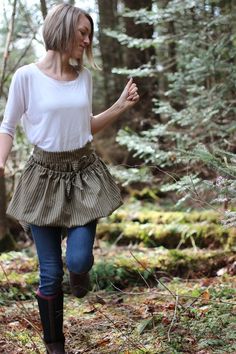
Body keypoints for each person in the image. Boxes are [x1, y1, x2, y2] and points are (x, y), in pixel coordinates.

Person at [0, 3, 139, 354]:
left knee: (77, 260)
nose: (88, 40)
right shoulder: (26, 77)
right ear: (61, 28)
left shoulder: (84, 77)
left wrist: (120, 105)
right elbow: (8, 126)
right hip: (42, 177)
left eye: (90, 34)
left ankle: (80, 273)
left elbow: (85, 125)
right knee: (49, 272)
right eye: (82, 32)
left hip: (82, 176)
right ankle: (54, 347)